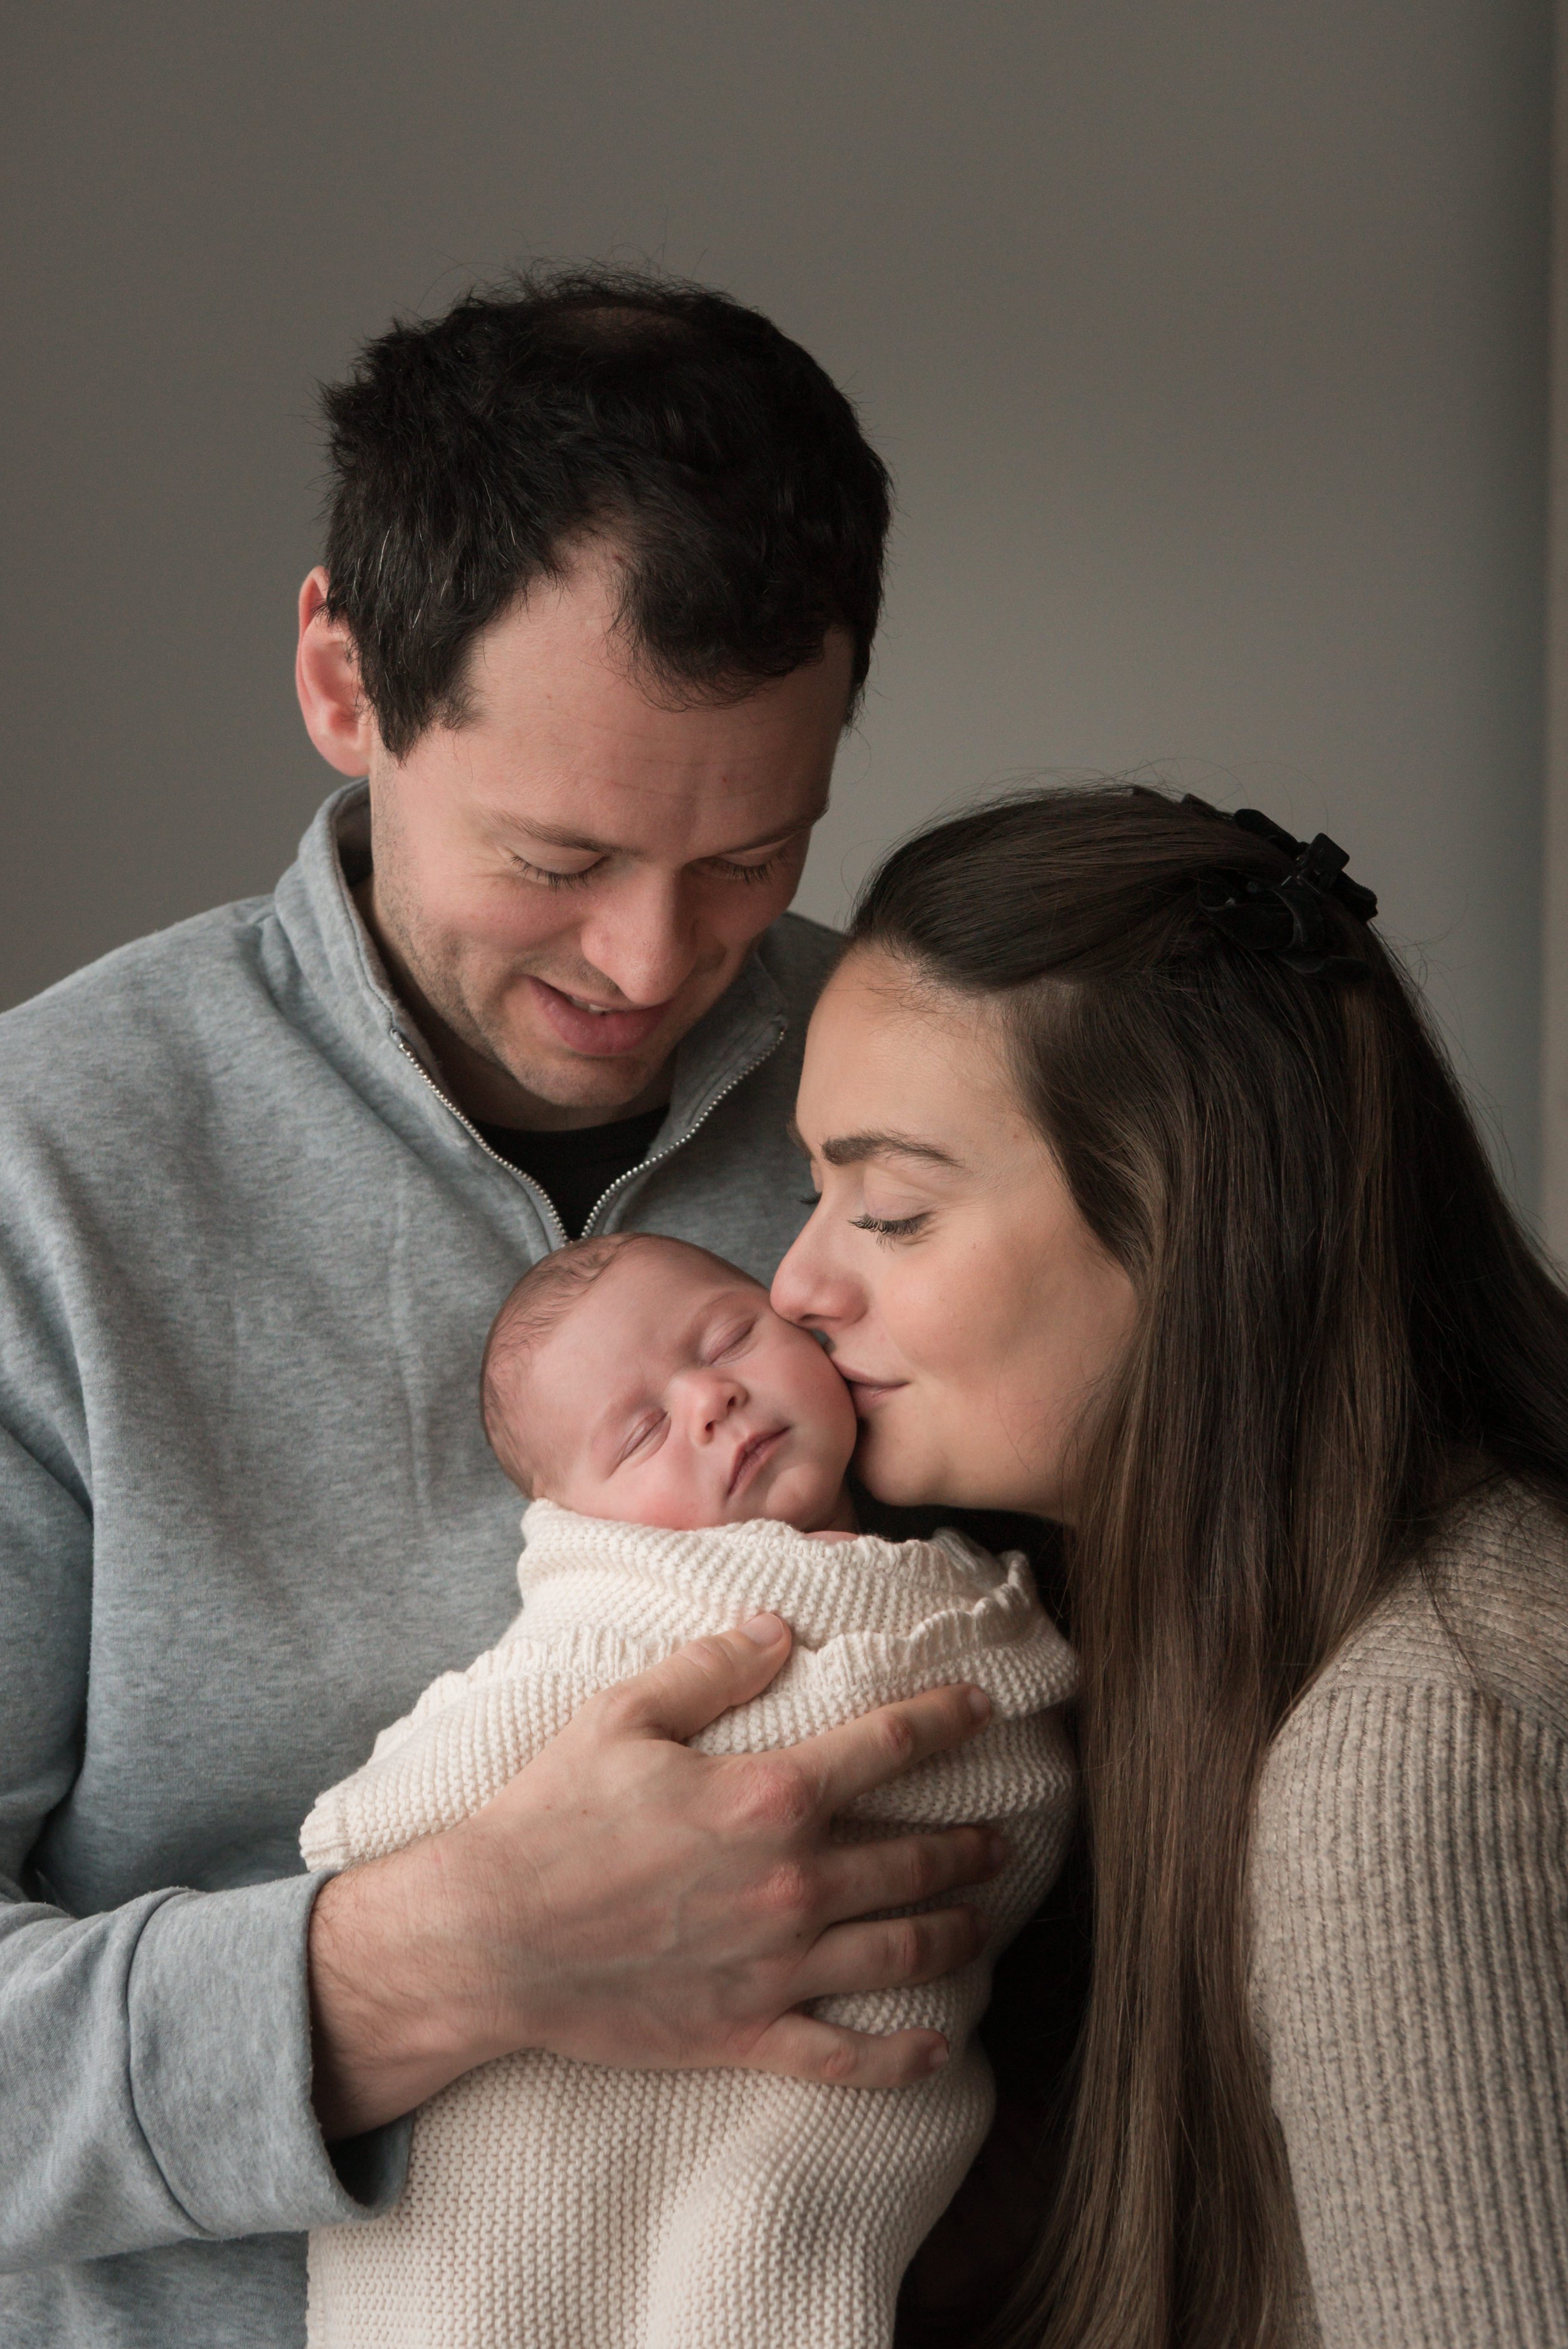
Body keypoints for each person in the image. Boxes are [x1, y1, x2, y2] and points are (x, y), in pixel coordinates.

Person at [0, 270, 1004, 2349]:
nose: (649, 959)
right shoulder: (43, 1180)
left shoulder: (933, 1095)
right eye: (556, 854)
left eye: (750, 854)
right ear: (343, 682)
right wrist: (437, 1961)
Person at [774, 782, 1568, 2349]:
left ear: (1186, 1219)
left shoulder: (1424, 1734)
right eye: (815, 1194)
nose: (796, 1282)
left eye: (889, 1210)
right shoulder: (1141, 1632)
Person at [299, 1233, 1078, 2348]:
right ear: (581, 1519)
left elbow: (1021, 1774)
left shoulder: (965, 1579)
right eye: (643, 1430)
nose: (711, 1397)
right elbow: (396, 1807)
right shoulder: (613, 1625)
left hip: (835, 2123)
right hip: (541, 2142)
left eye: (731, 1336)